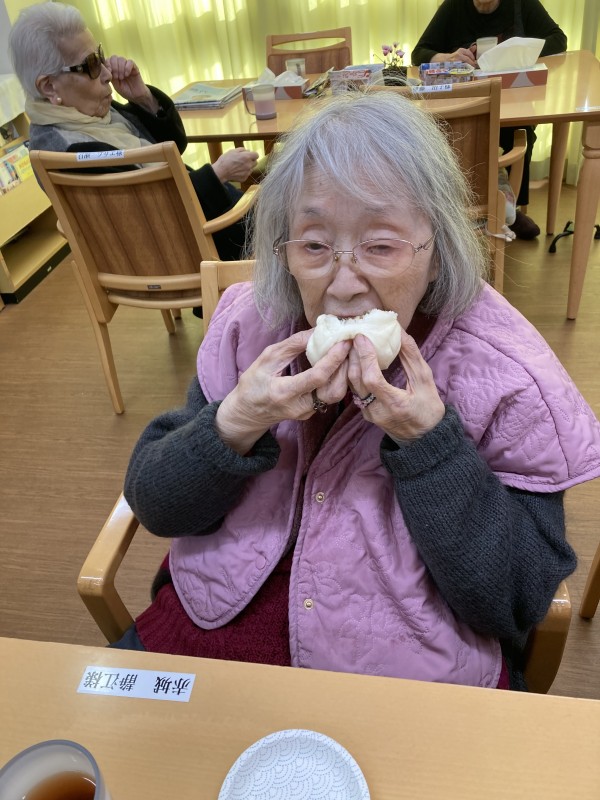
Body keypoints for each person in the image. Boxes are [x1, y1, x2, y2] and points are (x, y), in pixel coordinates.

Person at [118, 90, 600, 691]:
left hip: (401, 679)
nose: (344, 285)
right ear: (284, 251)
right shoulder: (253, 327)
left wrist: (430, 444)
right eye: (315, 245)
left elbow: (515, 599)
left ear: (437, 248)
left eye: (381, 245)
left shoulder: (503, 372)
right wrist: (235, 422)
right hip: (210, 634)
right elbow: (157, 507)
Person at [8, 2, 258, 262]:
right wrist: (217, 174)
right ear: (49, 87)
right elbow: (152, 212)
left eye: (100, 56)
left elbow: (175, 145)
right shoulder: (72, 151)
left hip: (199, 228)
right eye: (91, 64)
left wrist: (143, 98)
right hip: (189, 250)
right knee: (280, 220)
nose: (107, 73)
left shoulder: (81, 112)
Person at [411, 0, 567, 240]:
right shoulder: (454, 6)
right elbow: (419, 53)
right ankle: (464, 210)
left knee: (521, 131)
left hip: (513, 98)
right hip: (466, 102)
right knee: (462, 136)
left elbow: (558, 40)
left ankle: (511, 208)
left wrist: (516, 51)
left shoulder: (522, 4)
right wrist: (448, 57)